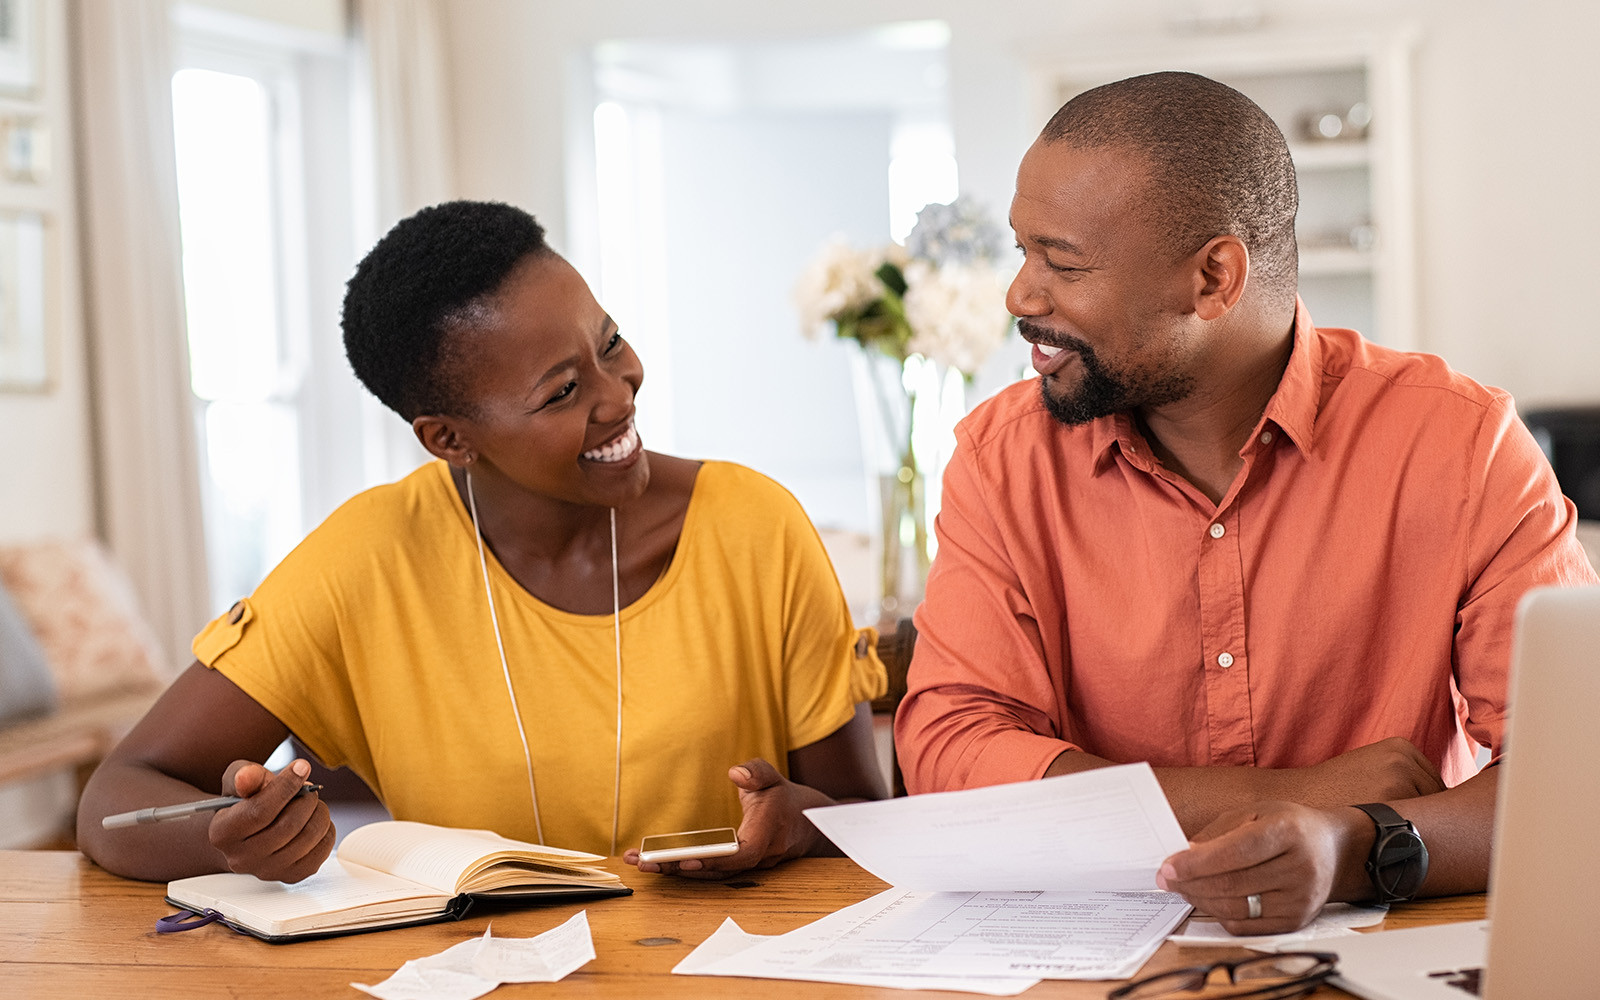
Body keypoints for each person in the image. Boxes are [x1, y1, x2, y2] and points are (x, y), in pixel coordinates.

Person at [894, 72, 1599, 933]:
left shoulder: (1459, 444)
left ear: (1215, 277)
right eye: (1023, 252)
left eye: (1064, 263)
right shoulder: (1002, 461)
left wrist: (1351, 845)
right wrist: (1288, 797)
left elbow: (1572, 773)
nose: (1021, 296)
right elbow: (949, 749)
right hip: (1082, 958)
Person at [78, 200, 886, 883]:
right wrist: (235, 843)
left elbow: (862, 819)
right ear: (449, 439)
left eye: (608, 343)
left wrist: (795, 823)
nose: (619, 393)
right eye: (563, 391)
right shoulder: (367, 559)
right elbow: (114, 799)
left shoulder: (755, 525)